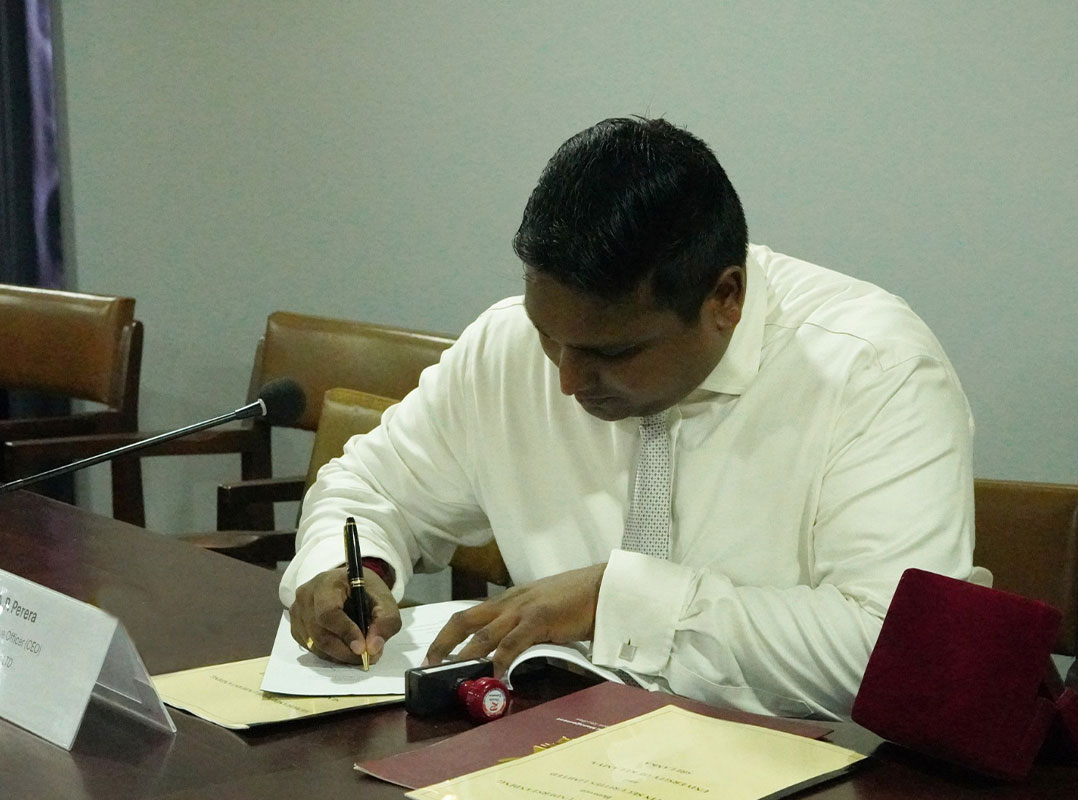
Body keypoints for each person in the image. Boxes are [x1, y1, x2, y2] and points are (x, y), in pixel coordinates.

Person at [280, 116, 976, 720]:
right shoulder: (508, 347)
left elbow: (897, 648)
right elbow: (372, 487)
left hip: (800, 765)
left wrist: (616, 599)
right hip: (557, 745)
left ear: (725, 299)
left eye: (611, 353)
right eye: (548, 337)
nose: (566, 379)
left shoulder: (872, 369)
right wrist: (354, 569)